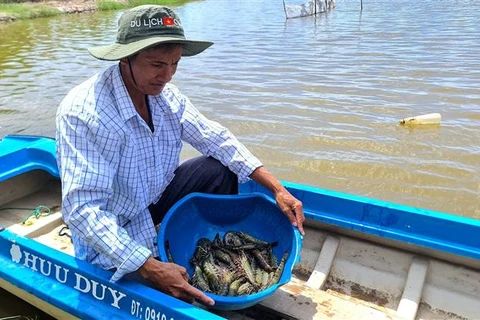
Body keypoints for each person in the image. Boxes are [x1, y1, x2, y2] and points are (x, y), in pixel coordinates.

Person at [55, 4, 305, 307]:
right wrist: (151, 267)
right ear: (125, 57)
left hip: (151, 200)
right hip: (114, 223)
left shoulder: (165, 97)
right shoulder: (85, 113)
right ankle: (157, 262)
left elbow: (217, 139)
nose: (168, 76)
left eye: (175, 63)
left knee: (217, 169)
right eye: (157, 64)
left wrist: (276, 188)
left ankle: (200, 245)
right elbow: (83, 211)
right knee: (161, 287)